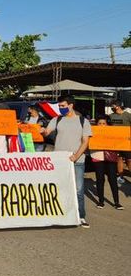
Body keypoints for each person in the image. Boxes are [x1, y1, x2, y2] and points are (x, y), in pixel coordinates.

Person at [43, 95, 92, 228]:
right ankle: (61, 214)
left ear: (71, 105)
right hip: (60, 161)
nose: (61, 108)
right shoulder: (57, 119)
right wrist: (42, 131)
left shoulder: (83, 121)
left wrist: (76, 156)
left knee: (78, 190)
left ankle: (81, 216)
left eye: (63, 106)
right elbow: (47, 132)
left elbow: (85, 141)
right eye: (59, 106)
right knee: (60, 188)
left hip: (78, 161)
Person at [90, 117, 123, 210]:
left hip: (110, 158)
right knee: (100, 179)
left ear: (107, 124)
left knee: (112, 180)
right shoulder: (92, 132)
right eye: (99, 123)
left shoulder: (112, 133)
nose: (101, 125)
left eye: (104, 123)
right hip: (98, 157)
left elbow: (119, 142)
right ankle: (101, 202)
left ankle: (117, 202)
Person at [108, 101, 131, 184]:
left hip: (127, 142)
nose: (111, 107)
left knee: (129, 159)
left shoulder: (128, 115)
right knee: (119, 158)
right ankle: (120, 176)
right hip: (116, 142)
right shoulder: (111, 116)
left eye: (112, 105)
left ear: (117, 106)